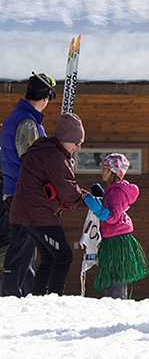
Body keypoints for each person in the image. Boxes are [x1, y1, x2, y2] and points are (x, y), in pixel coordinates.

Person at [9, 113, 88, 295]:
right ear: (65, 139)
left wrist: (86, 196)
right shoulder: (54, 157)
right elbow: (68, 193)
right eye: (76, 142)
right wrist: (89, 201)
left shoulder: (47, 151)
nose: (78, 147)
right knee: (63, 256)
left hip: (27, 213)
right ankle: (54, 298)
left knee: (49, 257)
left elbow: (65, 188)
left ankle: (38, 297)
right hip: (38, 214)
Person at [1, 72, 56, 296]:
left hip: (17, 192)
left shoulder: (19, 116)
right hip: (23, 194)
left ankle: (25, 292)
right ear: (44, 99)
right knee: (22, 248)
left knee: (28, 246)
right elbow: (32, 161)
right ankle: (11, 294)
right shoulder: (26, 122)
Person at [84, 153, 148, 299]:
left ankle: (116, 304)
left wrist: (98, 208)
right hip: (114, 237)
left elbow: (113, 217)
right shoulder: (113, 191)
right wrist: (101, 196)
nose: (101, 172)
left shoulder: (116, 192)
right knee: (113, 276)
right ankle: (115, 303)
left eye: (104, 169)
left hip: (116, 240)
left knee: (114, 276)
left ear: (113, 171)